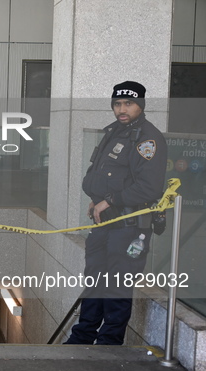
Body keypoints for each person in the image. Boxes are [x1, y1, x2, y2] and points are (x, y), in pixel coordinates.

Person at [64, 81, 167, 345]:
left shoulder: (147, 138)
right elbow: (102, 174)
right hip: (105, 223)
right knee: (95, 280)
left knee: (117, 286)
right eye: (117, 104)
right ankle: (83, 336)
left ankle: (109, 344)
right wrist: (97, 199)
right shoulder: (115, 132)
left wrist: (110, 200)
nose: (122, 109)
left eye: (128, 104)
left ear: (140, 106)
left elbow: (149, 187)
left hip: (129, 226)